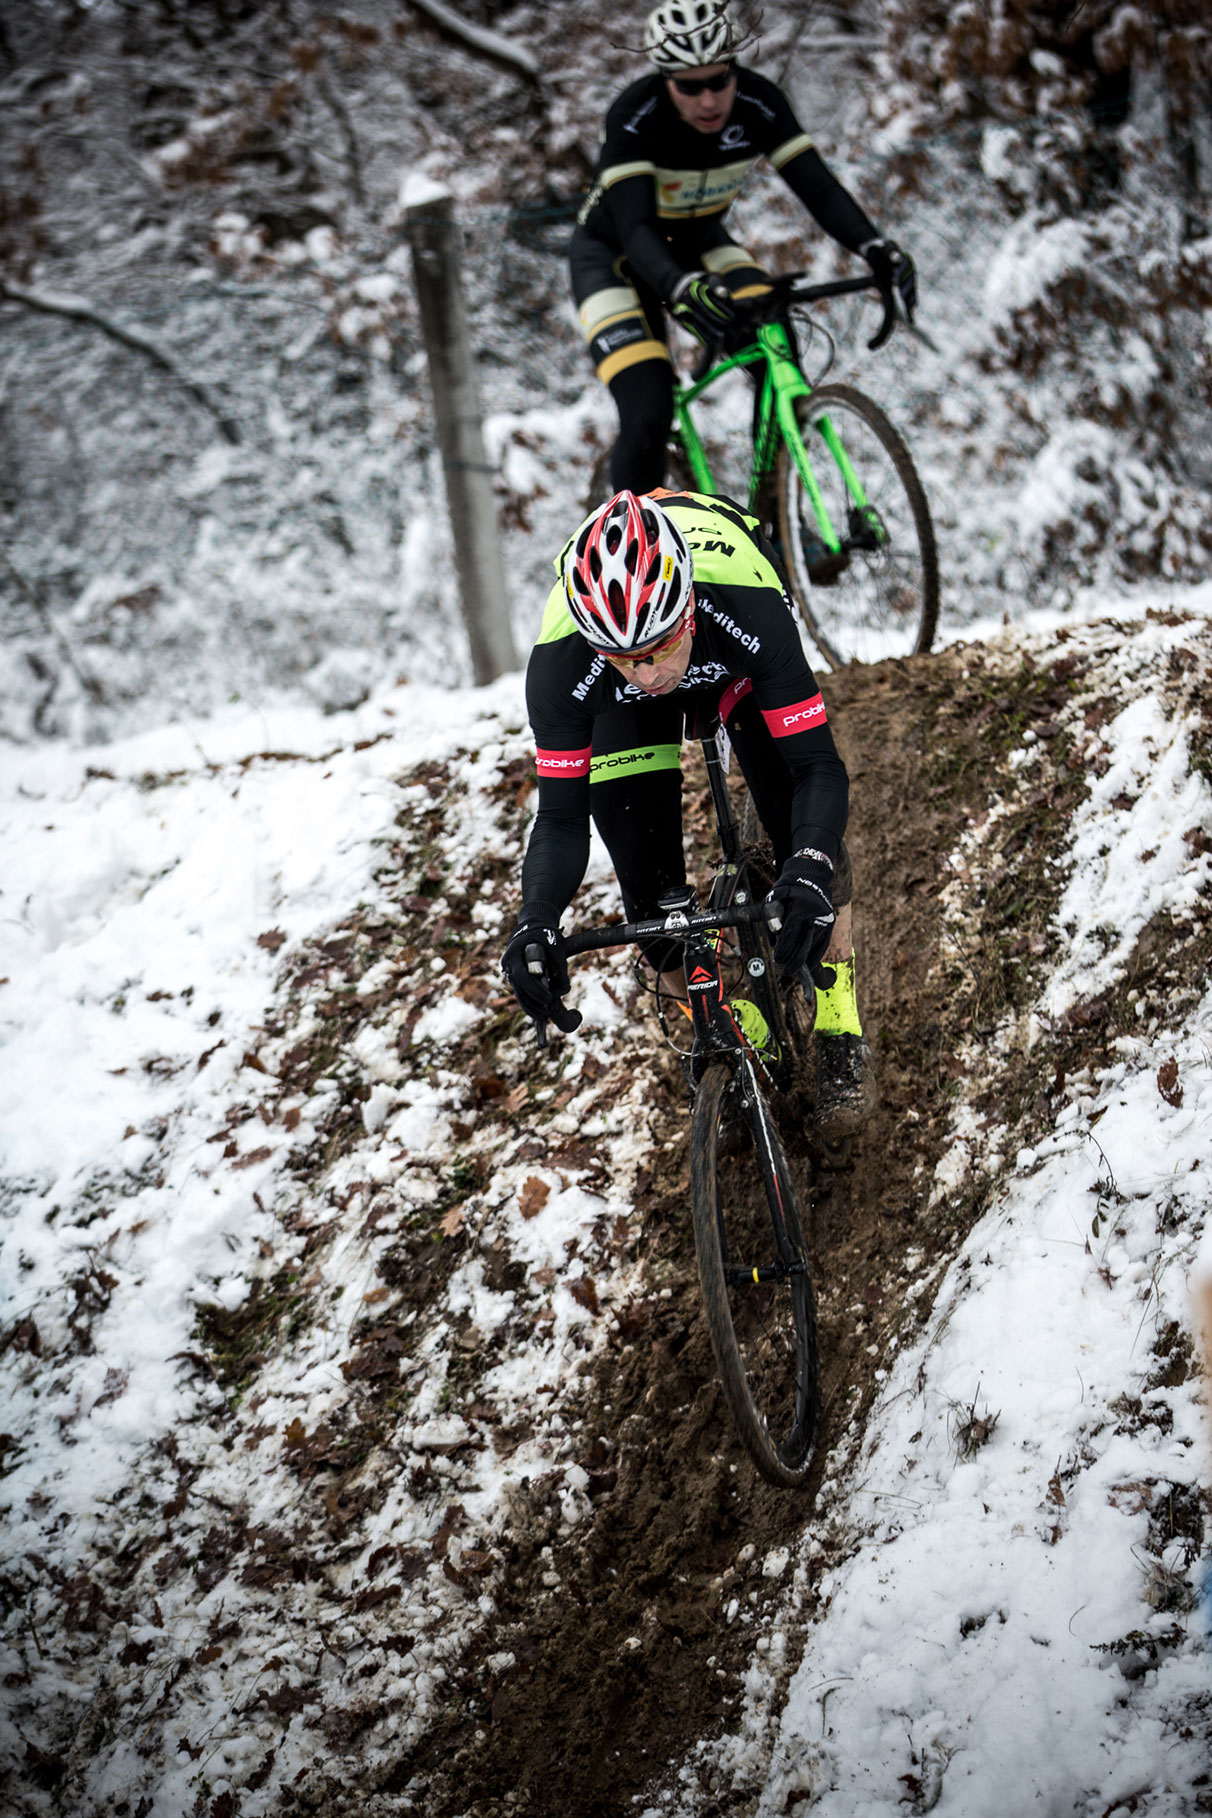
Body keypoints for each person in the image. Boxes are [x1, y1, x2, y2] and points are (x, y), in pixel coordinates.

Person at [501, 486, 875, 1139]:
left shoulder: (746, 604)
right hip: (616, 689)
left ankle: (839, 1016)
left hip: (730, 650)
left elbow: (818, 765)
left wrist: (811, 863)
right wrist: (534, 922)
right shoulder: (564, 661)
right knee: (649, 904)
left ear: (684, 613)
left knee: (801, 830)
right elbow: (561, 820)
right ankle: (729, 1027)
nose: (647, 674)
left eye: (656, 649)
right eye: (626, 658)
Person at [571, 0, 918, 497]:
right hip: (615, 258)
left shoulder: (759, 103)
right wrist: (680, 285)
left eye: (721, 80)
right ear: (665, 79)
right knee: (648, 410)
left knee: (776, 343)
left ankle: (776, 522)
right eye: (690, 86)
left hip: (700, 243)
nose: (710, 100)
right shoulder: (634, 117)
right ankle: (632, 551)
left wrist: (875, 247)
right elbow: (636, 228)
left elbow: (818, 188)